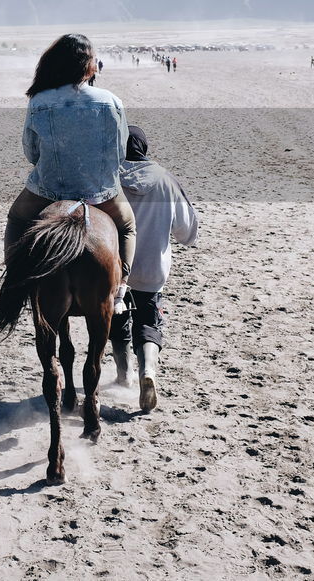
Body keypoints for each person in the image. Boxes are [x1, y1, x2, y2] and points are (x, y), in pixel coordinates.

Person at [5, 34, 135, 308]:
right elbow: (120, 151)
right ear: (88, 66)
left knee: (17, 218)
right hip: (101, 192)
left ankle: (16, 282)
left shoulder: (39, 101)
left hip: (49, 191)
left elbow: (31, 152)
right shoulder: (111, 100)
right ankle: (121, 287)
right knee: (126, 226)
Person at [111, 126, 198, 412]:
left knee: (116, 321)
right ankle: (148, 370)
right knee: (148, 320)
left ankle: (124, 376)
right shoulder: (165, 180)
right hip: (151, 268)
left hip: (114, 269)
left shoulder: (108, 177)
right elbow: (187, 233)